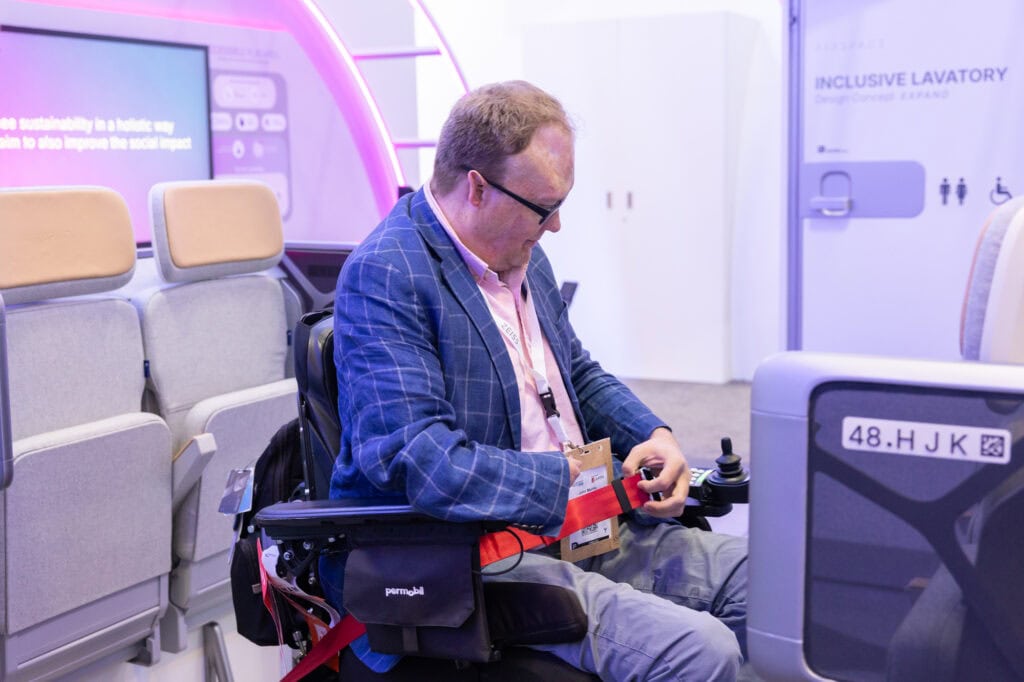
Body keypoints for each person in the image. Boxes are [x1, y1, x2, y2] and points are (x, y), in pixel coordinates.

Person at [325, 80, 749, 681]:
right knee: (699, 651)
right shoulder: (386, 273)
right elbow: (415, 458)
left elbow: (574, 370)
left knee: (774, 584)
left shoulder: (520, 251)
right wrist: (571, 479)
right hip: (479, 554)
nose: (555, 226)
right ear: (476, 186)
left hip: (584, 525)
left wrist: (653, 432)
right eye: (544, 207)